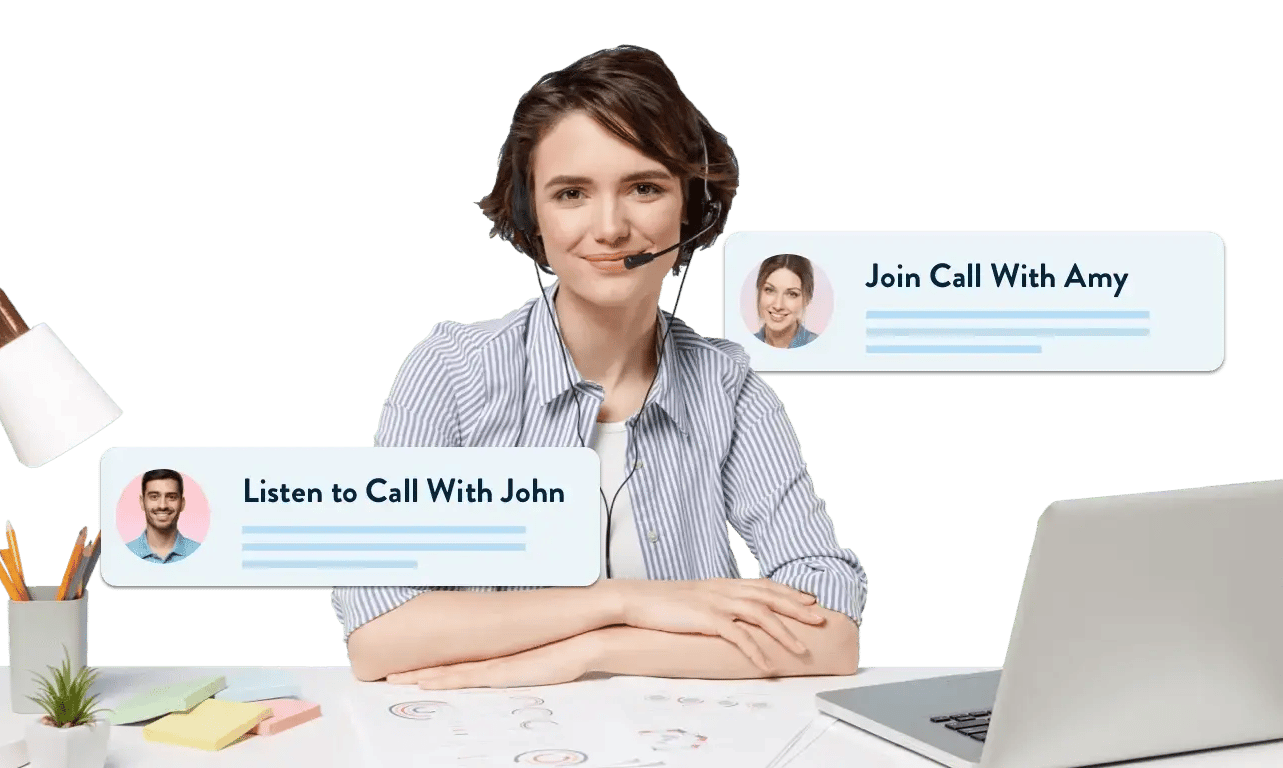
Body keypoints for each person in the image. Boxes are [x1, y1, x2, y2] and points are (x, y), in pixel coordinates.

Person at [331, 46, 867, 689]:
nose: (610, 228)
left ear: (688, 210)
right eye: (572, 193)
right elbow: (378, 632)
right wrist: (622, 602)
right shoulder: (451, 371)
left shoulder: (731, 387)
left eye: (644, 187)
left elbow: (830, 635)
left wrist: (586, 654)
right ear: (533, 216)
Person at [126, 468, 200, 564]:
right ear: (142, 502)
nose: (162, 505)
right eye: (154, 497)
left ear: (182, 503)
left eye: (171, 497)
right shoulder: (123, 553)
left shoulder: (200, 553)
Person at [753, 254, 819, 348]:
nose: (778, 305)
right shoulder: (740, 347)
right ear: (759, 291)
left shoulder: (821, 348)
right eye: (770, 290)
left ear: (807, 299)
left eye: (792, 294)